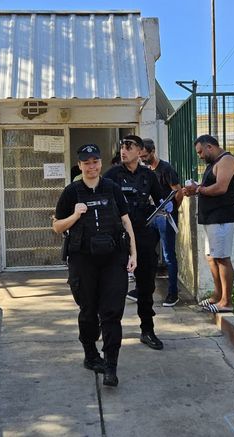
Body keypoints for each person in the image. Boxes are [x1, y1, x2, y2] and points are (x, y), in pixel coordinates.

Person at [53, 143, 137, 387]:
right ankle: (91, 355)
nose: (92, 166)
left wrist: (134, 254)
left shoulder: (112, 188)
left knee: (112, 312)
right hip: (83, 260)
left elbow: (126, 220)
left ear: (101, 163)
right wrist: (75, 215)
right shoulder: (71, 192)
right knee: (89, 312)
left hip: (113, 259)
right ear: (80, 165)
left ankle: (111, 366)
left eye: (95, 161)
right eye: (86, 162)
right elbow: (57, 226)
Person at [103, 134, 168, 350]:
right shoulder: (112, 175)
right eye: (122, 146)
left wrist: (166, 207)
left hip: (143, 236)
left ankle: (147, 330)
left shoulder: (148, 177)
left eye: (129, 147)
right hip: (118, 238)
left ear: (139, 151)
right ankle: (106, 329)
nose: (124, 150)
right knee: (112, 287)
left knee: (145, 286)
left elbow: (161, 199)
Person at [182, 135, 234, 313]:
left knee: (222, 258)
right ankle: (217, 295)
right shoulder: (213, 164)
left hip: (223, 216)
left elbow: (221, 187)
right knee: (212, 257)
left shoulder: (227, 160)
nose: (199, 155)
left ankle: (226, 302)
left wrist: (198, 189)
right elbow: (209, 187)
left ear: (210, 147)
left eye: (200, 151)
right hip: (212, 218)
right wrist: (196, 189)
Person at [140, 138, 183, 307]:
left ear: (153, 151)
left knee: (168, 256)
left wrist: (171, 210)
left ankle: (173, 293)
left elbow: (178, 192)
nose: (143, 159)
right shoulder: (146, 171)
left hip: (166, 217)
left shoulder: (166, 169)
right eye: (141, 157)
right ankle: (143, 288)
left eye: (145, 156)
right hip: (152, 216)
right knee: (147, 252)